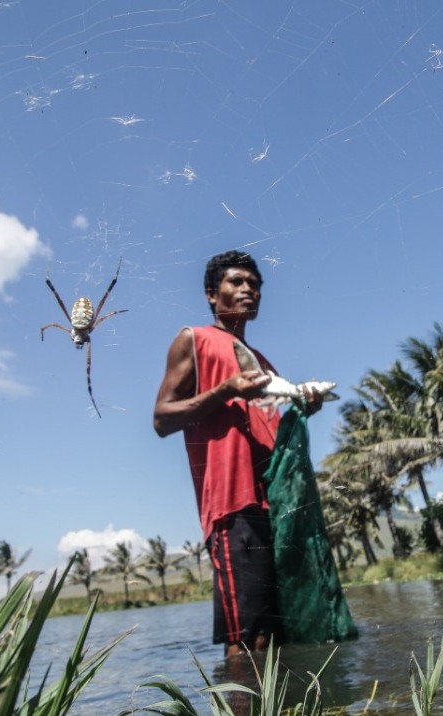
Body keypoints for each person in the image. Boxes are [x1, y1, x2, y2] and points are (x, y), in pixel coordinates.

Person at [153, 250, 323, 657]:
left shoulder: (264, 363)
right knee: (248, 639)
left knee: (280, 637)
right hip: (233, 505)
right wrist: (225, 390)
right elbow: (161, 419)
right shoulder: (193, 340)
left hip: (275, 505)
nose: (250, 290)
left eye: (256, 284)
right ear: (212, 294)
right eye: (237, 282)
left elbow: (272, 432)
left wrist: (303, 405)